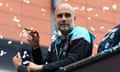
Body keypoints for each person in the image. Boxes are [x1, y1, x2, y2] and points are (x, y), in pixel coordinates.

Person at [12, 3, 95, 72]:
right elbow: (46, 67)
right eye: (60, 16)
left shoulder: (81, 33)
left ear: (74, 19)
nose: (63, 19)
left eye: (67, 15)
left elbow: (72, 61)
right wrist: (36, 47)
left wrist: (39, 68)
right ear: (55, 20)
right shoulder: (55, 43)